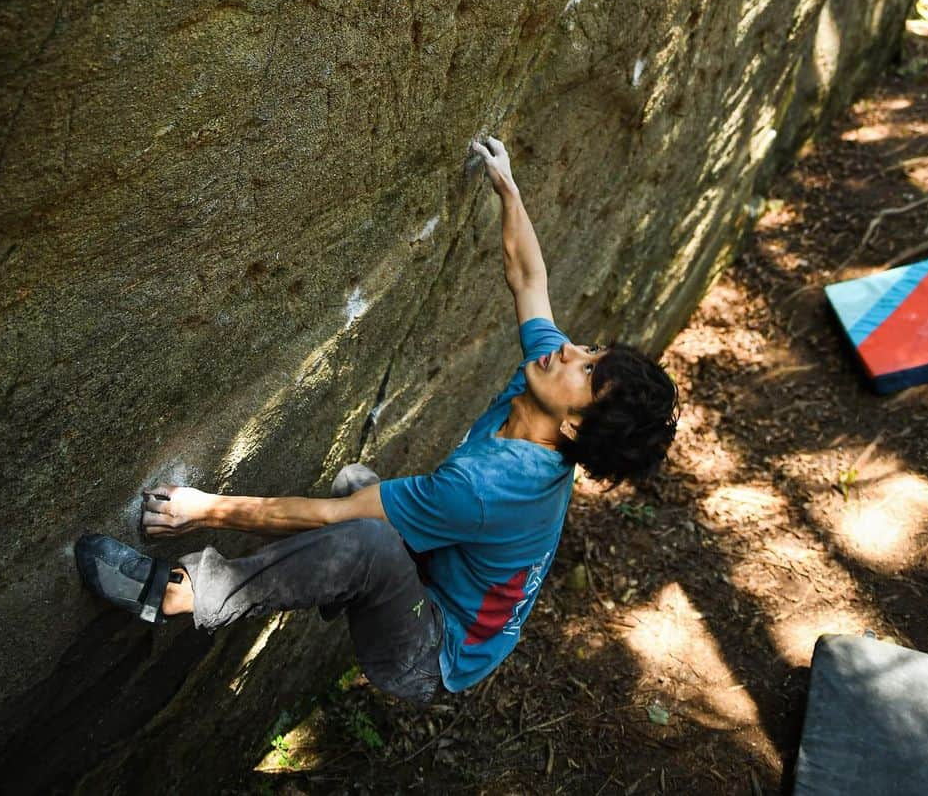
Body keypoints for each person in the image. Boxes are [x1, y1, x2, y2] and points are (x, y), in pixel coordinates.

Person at [75, 136, 679, 705]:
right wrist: (509, 190)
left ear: (574, 426)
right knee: (359, 490)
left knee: (363, 536)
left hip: (427, 657)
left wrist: (203, 508)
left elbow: (336, 520)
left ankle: (179, 594)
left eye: (588, 370)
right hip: (442, 580)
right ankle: (332, 578)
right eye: (591, 350)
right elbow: (528, 278)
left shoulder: (492, 486)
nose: (572, 350)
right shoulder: (545, 385)